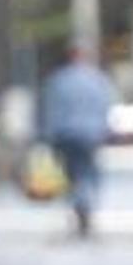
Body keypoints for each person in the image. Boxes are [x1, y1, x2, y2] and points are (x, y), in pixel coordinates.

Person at [40, 43, 117, 236]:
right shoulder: (97, 80)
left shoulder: (58, 80)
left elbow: (50, 109)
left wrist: (48, 135)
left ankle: (78, 206)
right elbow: (106, 106)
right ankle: (85, 206)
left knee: (72, 173)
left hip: (65, 134)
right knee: (87, 172)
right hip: (90, 135)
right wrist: (105, 131)